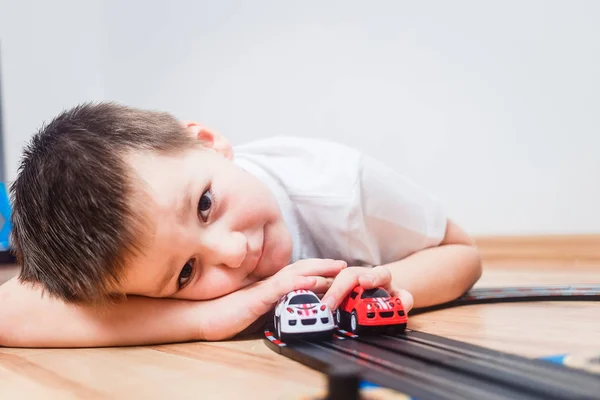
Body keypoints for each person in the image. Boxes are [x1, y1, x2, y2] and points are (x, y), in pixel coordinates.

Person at [0, 102, 481, 347]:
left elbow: (463, 253)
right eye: (187, 273)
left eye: (205, 205)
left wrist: (390, 284)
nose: (232, 253)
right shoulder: (137, 261)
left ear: (207, 142)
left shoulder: (339, 187)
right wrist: (205, 320)